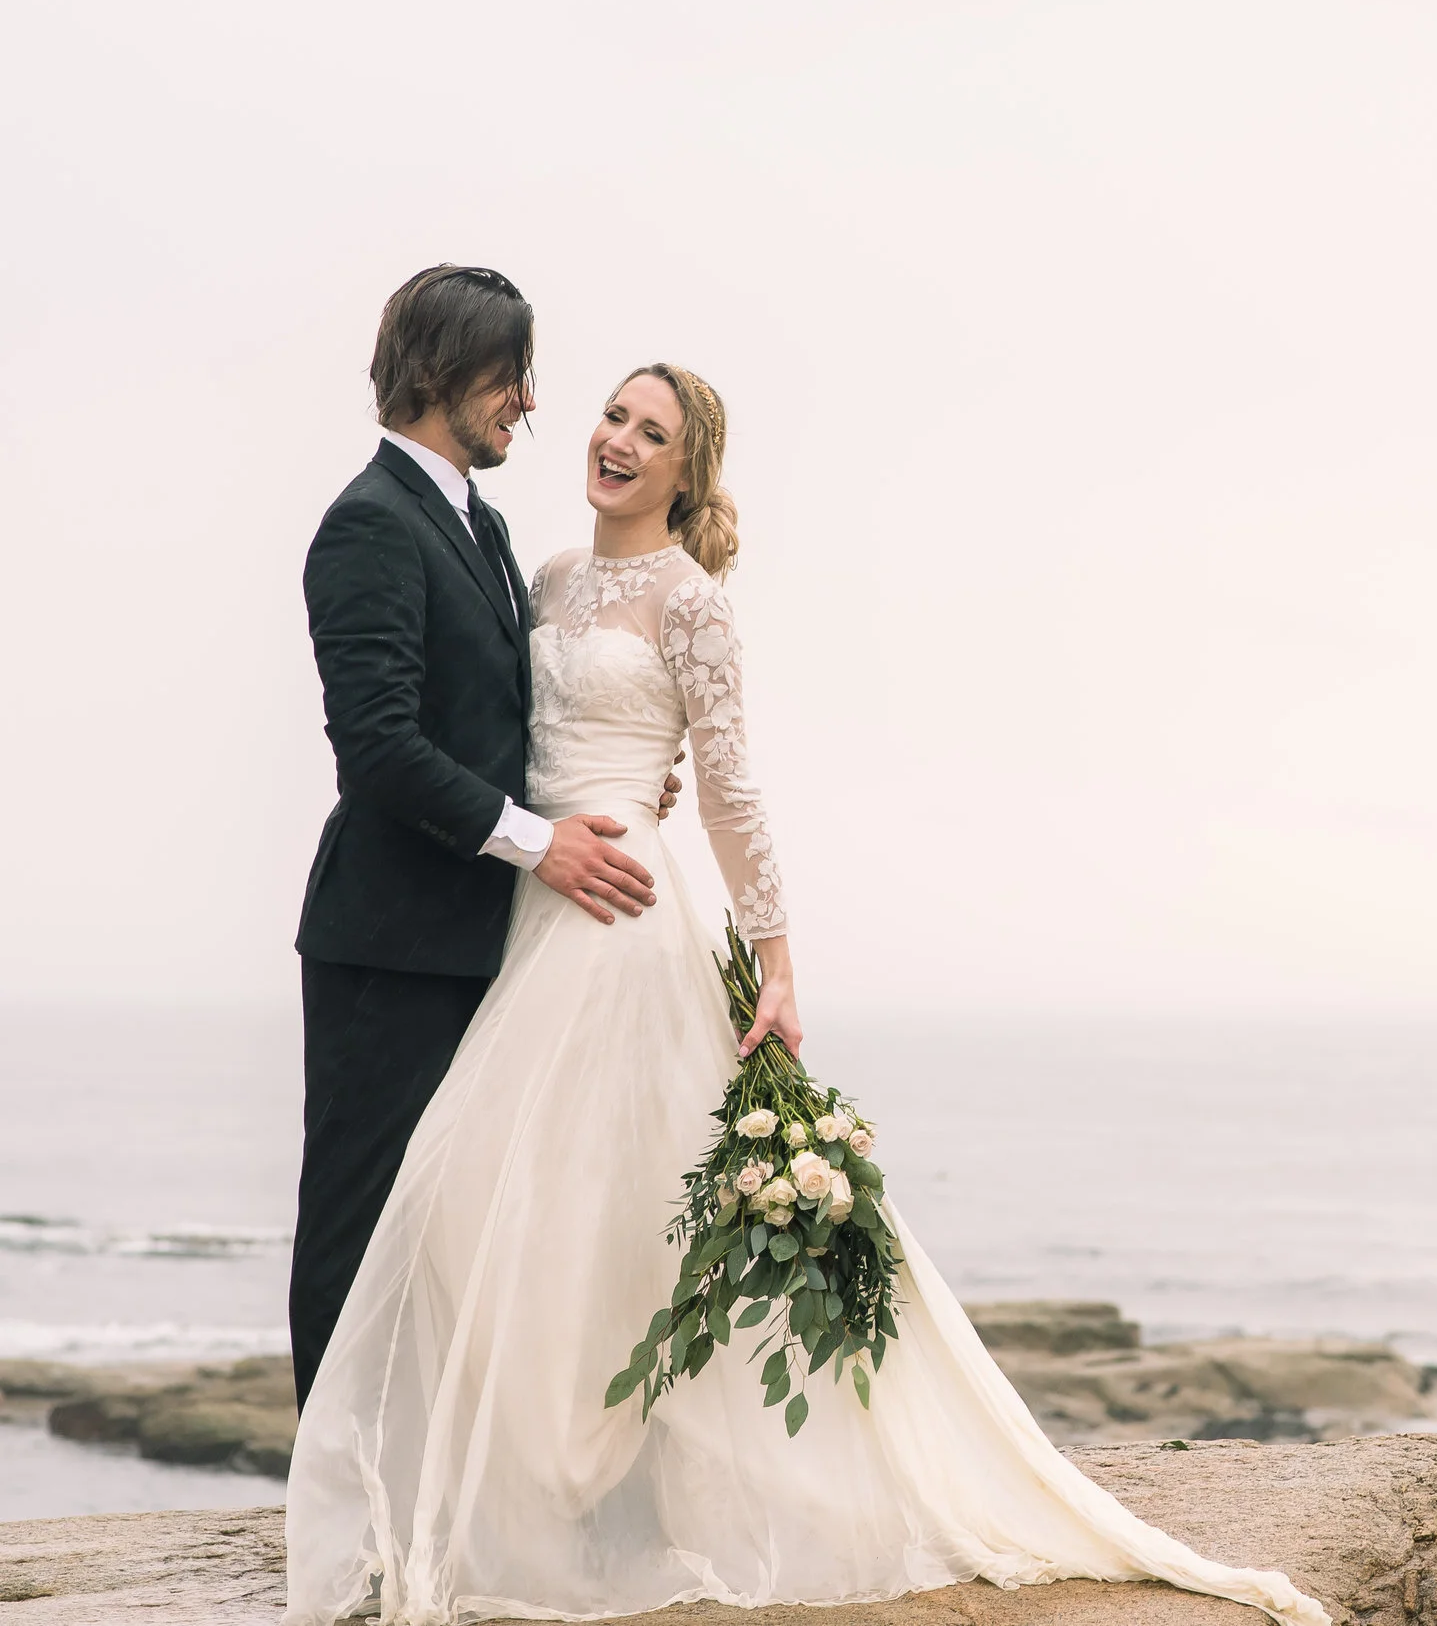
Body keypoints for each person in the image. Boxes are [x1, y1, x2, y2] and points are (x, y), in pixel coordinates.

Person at [284, 357, 1329, 1626]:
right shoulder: (538, 570)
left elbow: (727, 789)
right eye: (613, 414)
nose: (615, 439)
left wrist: (776, 961)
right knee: (491, 1209)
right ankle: (512, 1494)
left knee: (613, 1215)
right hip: (522, 905)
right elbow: (479, 723)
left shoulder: (691, 602)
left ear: (687, 469)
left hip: (622, 923)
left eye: (650, 431)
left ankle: (588, 1494)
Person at [292, 265, 678, 1410]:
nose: (526, 400)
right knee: (359, 1224)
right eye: (509, 375)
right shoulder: (367, 525)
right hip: (388, 941)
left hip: (485, 944)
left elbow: (508, 714)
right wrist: (538, 841)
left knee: (446, 1226)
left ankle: (414, 1482)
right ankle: (337, 1509)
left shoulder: (484, 521)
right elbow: (377, 747)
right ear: (441, 373)